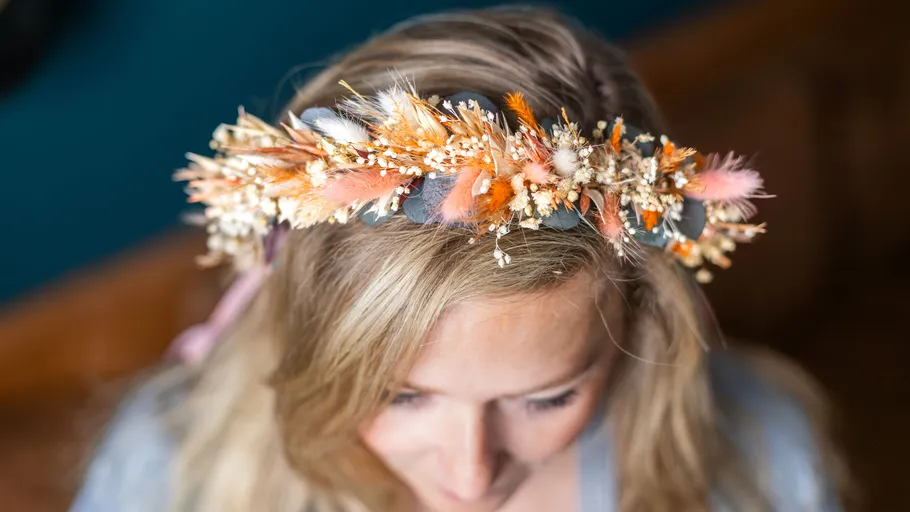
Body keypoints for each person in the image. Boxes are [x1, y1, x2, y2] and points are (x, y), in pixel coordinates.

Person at [70, 6, 850, 512]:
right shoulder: (168, 478)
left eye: (545, 399)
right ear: (308, 329)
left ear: (642, 320)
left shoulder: (759, 466)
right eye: (401, 395)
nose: (471, 478)